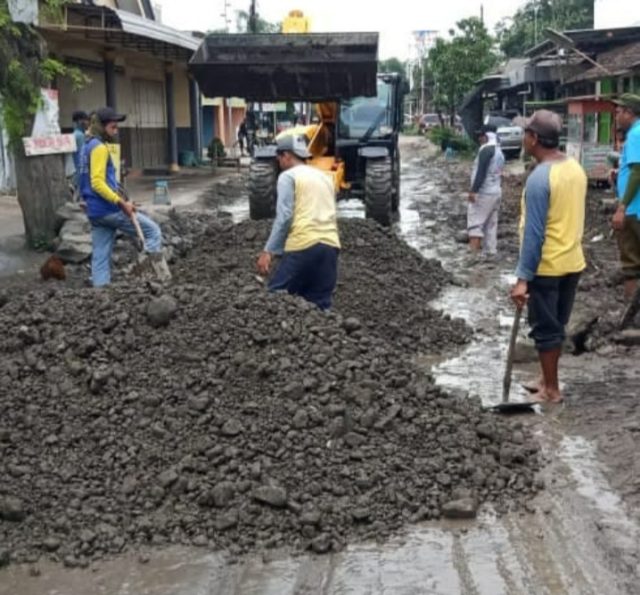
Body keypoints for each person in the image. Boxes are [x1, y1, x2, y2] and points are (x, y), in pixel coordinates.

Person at [510, 110, 587, 404]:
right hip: (572, 261)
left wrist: (522, 279)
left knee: (545, 330)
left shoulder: (540, 179)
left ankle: (552, 390)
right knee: (558, 323)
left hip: (548, 266)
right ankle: (545, 378)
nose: (523, 138)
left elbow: (534, 235)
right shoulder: (574, 168)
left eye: (526, 133)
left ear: (534, 139)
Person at [79, 107, 169, 287]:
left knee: (100, 258)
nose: (116, 130)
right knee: (153, 232)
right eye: (113, 126)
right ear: (101, 126)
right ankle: (146, 278)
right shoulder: (99, 148)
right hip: (109, 209)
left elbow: (88, 180)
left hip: (95, 212)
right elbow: (97, 183)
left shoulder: (86, 147)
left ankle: (101, 296)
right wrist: (121, 203)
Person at [256, 134, 340, 310]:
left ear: (286, 155)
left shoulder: (288, 177)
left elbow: (285, 216)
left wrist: (269, 251)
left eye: (278, 157)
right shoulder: (325, 177)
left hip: (303, 244)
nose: (278, 163)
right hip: (330, 247)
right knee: (320, 306)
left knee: (275, 298)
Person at [610, 94, 640, 301]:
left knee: (630, 262)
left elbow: (638, 171)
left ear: (629, 112)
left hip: (633, 210)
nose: (616, 116)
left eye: (619, 112)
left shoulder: (636, 134)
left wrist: (622, 207)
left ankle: (631, 313)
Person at [468, 124, 505, 257]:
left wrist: (473, 191)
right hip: (496, 192)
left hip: (484, 193)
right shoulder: (499, 151)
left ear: (487, 136)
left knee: (475, 225)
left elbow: (481, 173)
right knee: (491, 225)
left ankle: (473, 258)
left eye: (481, 136)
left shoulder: (486, 150)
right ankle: (490, 254)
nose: (479, 138)